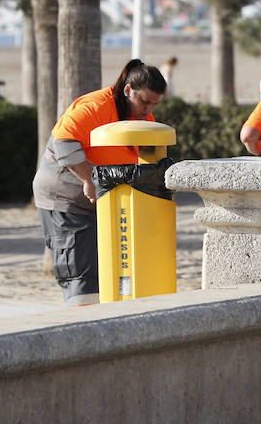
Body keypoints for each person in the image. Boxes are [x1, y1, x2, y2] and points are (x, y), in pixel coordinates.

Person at [32, 59, 167, 306]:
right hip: (63, 198)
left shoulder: (142, 117)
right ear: (128, 90)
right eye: (145, 101)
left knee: (109, 271)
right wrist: (89, 179)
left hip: (101, 202)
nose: (148, 110)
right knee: (81, 275)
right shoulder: (96, 106)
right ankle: (84, 331)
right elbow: (63, 142)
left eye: (155, 104)